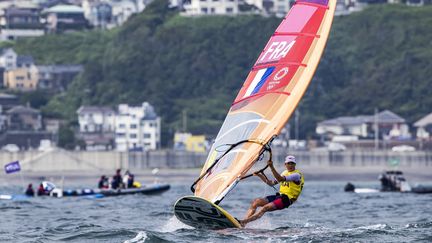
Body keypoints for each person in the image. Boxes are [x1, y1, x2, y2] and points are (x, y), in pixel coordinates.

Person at [240, 155, 304, 227]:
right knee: (256, 202)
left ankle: (243, 222)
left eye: (292, 163)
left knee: (265, 208)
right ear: (285, 164)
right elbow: (271, 183)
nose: (290, 165)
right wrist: (260, 175)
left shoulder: (296, 175)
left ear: (295, 164)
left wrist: (271, 167)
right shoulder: (284, 173)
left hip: (286, 200)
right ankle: (243, 223)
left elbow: (280, 179)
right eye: (288, 163)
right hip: (279, 196)